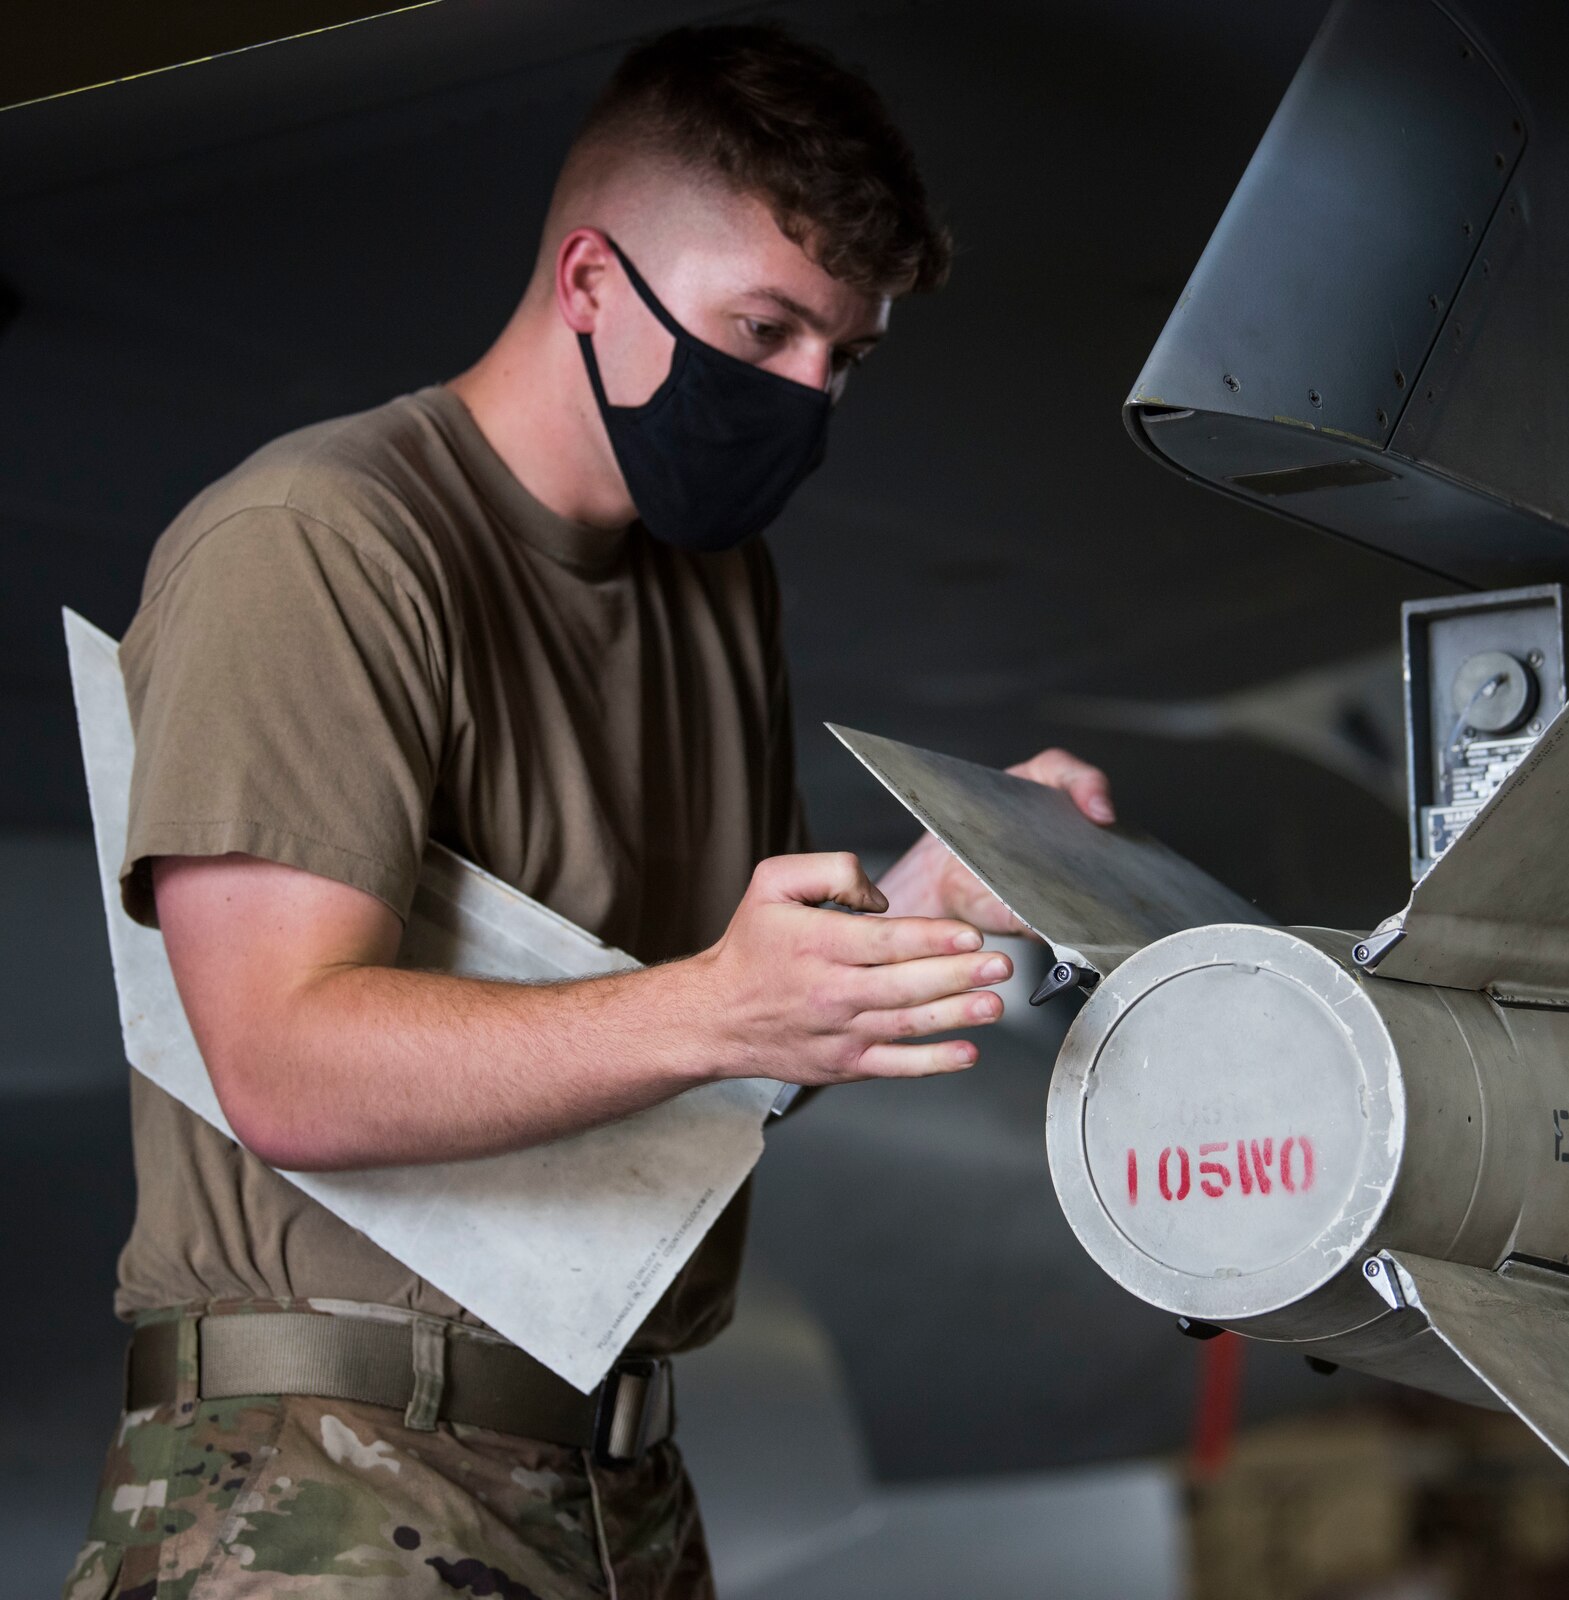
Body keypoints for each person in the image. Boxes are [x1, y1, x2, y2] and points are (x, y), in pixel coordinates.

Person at [61, 23, 1114, 1600]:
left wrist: (911, 920)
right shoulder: (318, 544)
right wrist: (718, 1008)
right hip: (314, 1490)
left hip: (613, 1484)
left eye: (846, 355)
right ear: (591, 286)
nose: (808, 397)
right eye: (761, 330)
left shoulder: (711, 589)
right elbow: (282, 1062)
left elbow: (693, 1055)